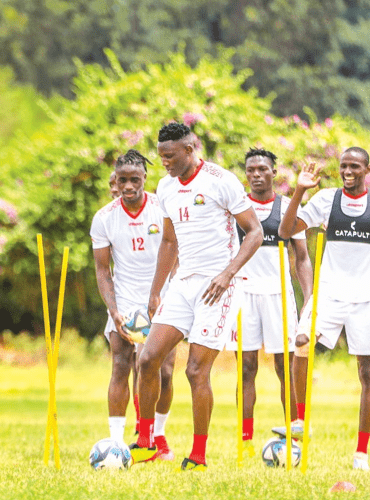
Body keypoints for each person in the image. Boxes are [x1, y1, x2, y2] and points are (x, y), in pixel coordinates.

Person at [131, 123, 263, 471]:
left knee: (194, 371)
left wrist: (227, 273)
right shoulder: (165, 186)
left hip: (218, 286)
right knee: (148, 359)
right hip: (183, 284)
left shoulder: (221, 180)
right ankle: (146, 442)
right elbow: (170, 241)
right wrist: (156, 290)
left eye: (170, 156)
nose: (165, 163)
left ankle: (199, 455)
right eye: (161, 157)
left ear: (190, 149)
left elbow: (255, 232)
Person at [278, 147, 370, 470]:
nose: (348, 171)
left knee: (367, 372)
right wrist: (299, 190)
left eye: (355, 166)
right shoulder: (326, 200)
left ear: (368, 168)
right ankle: (300, 421)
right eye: (343, 166)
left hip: (367, 298)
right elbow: (286, 232)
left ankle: (361, 453)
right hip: (328, 295)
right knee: (300, 342)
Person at [91, 149, 176, 459]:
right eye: (122, 180)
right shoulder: (104, 217)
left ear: (145, 178)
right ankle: (117, 442)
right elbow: (102, 271)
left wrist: (163, 294)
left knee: (163, 371)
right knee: (120, 364)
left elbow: (174, 250)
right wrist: (113, 309)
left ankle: (157, 435)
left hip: (162, 297)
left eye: (134, 179)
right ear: (115, 180)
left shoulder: (162, 208)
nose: (128, 186)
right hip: (125, 300)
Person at [227, 148, 313, 453]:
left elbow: (302, 257)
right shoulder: (237, 208)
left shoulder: (288, 207)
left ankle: (292, 435)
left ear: (273, 173)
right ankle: (246, 440)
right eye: (250, 170)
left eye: (262, 169)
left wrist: (309, 297)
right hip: (244, 293)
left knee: (284, 367)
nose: (256, 175)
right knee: (246, 368)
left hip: (279, 294)